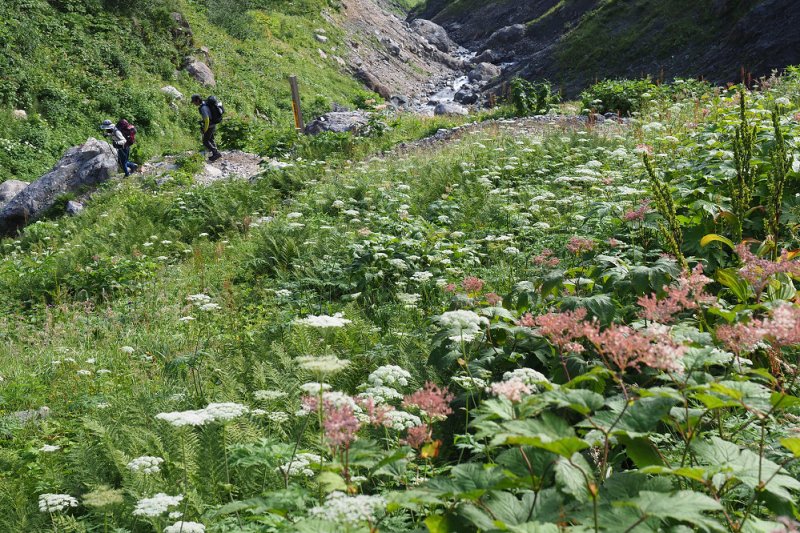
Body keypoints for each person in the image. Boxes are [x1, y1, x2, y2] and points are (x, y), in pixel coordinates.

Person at [191, 94, 222, 162]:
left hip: (210, 125)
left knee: (205, 141)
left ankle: (216, 153)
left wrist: (205, 129)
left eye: (194, 102)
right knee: (211, 138)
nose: (194, 103)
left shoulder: (203, 108)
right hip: (213, 123)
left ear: (198, 100)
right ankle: (215, 153)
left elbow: (207, 120)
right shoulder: (205, 103)